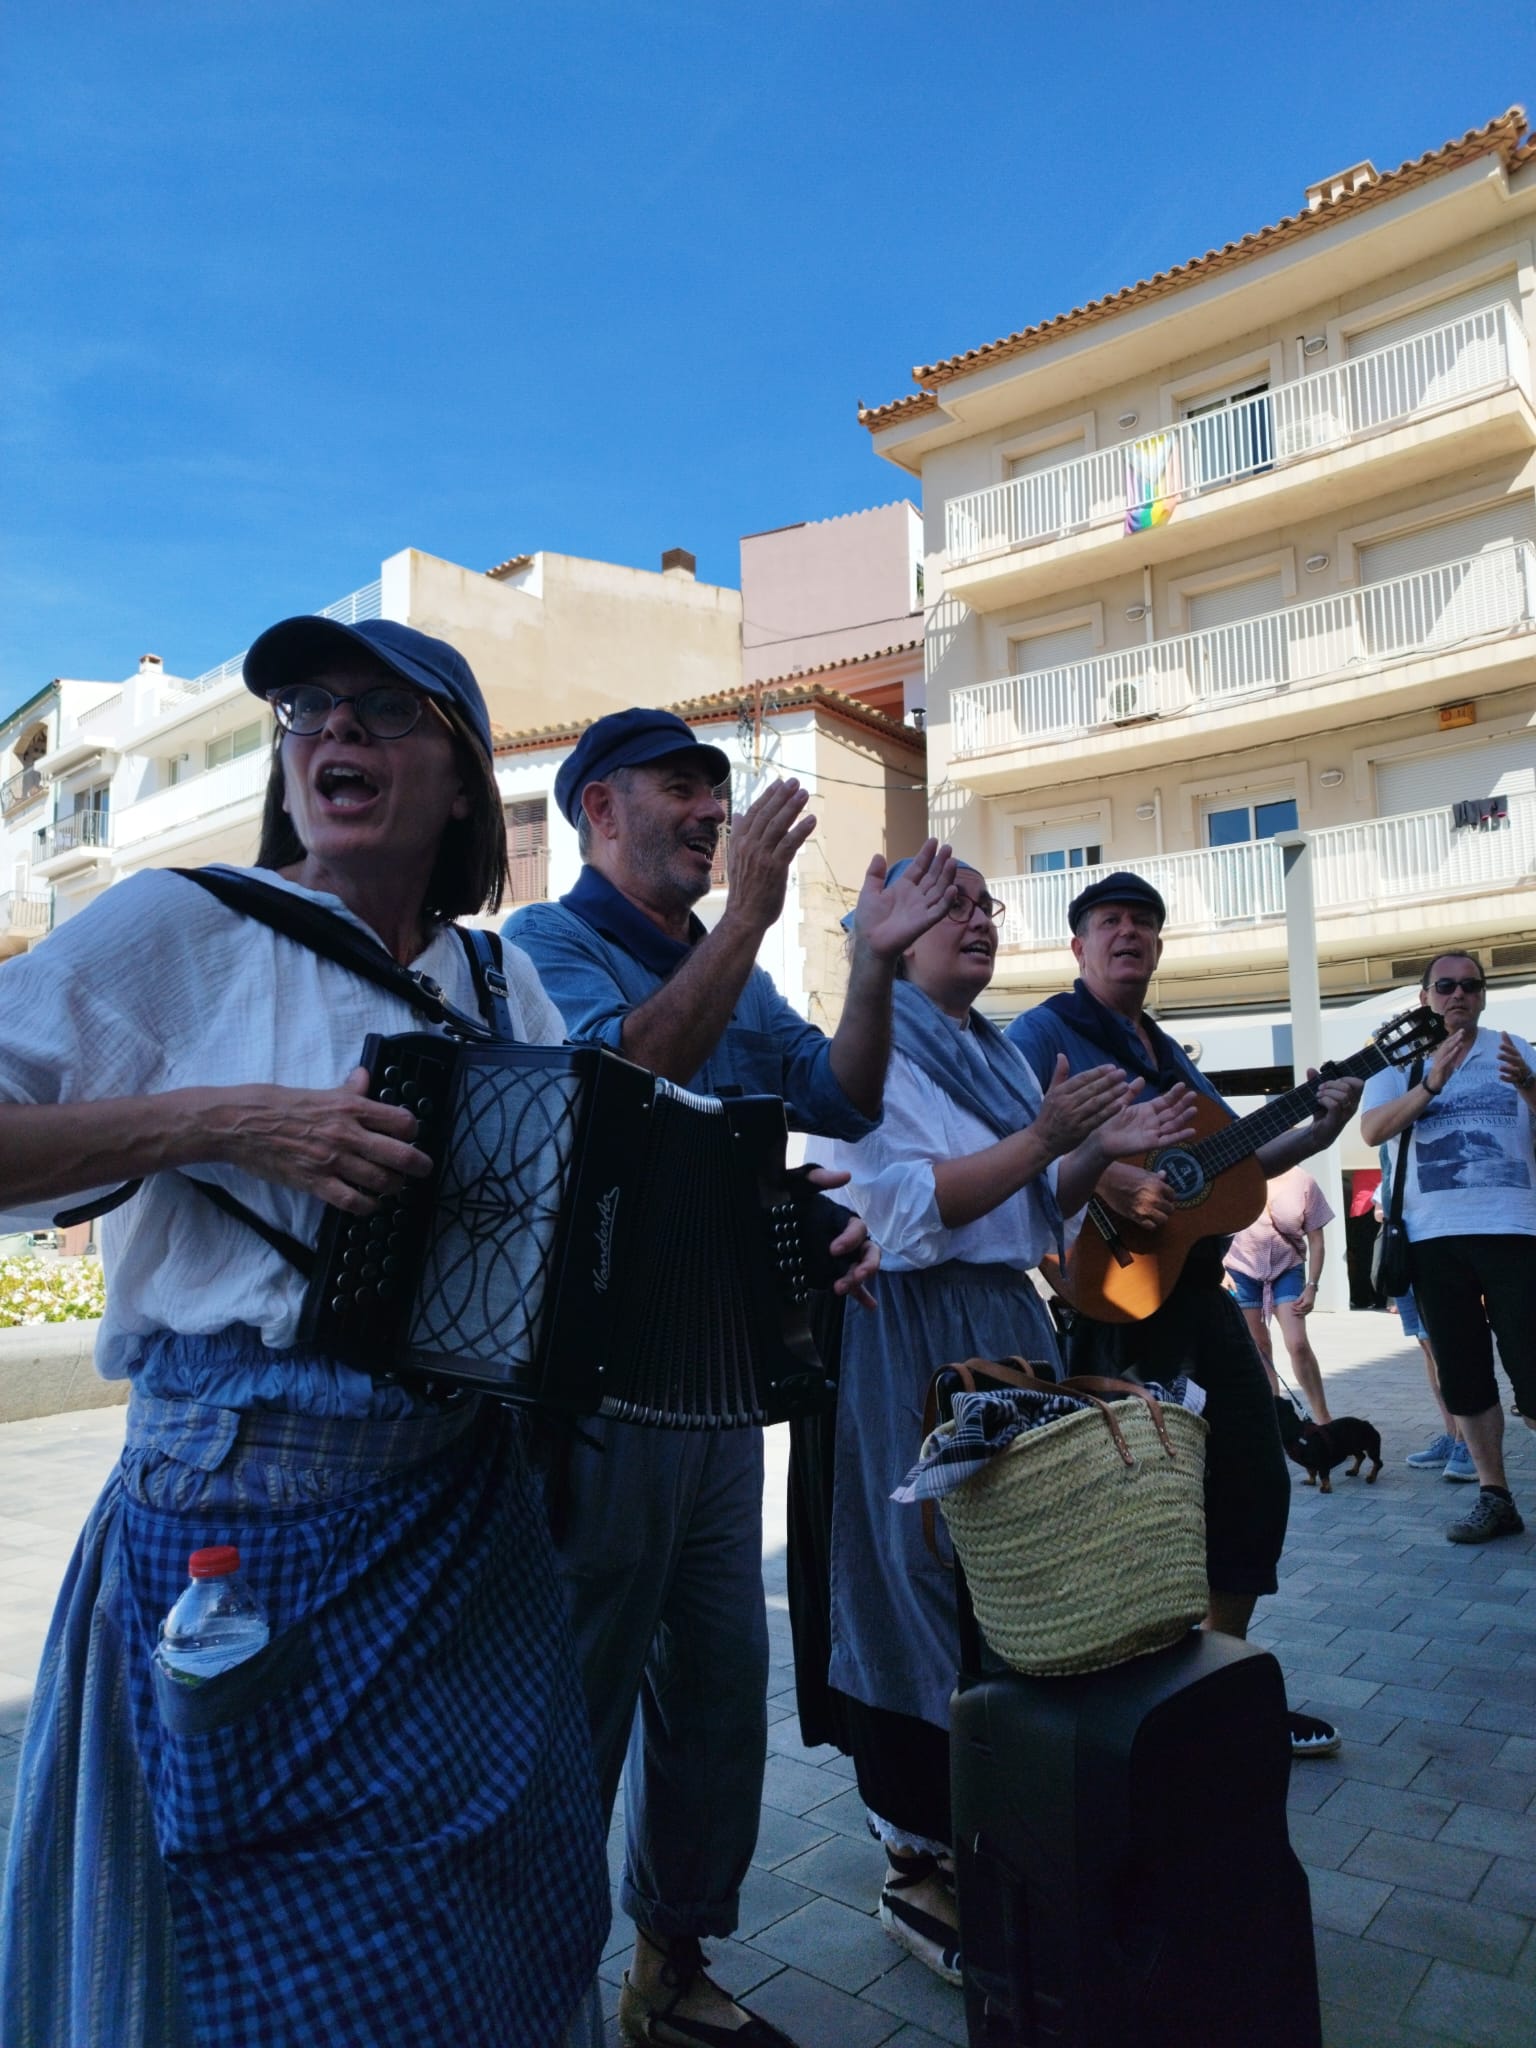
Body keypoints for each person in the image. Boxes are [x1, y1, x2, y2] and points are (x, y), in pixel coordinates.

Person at [0, 618, 610, 2048]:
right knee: (288, 1962)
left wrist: (761, 1252)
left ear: (460, 779)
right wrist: (225, 1120)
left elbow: (573, 1220)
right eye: (310, 709)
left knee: (502, 1905)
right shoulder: (184, 924)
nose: (335, 733)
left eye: (386, 712)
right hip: (242, 1514)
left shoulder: (499, 985)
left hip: (464, 1518)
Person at [506, 708, 954, 2048]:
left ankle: (670, 1969)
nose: (713, 810)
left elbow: (845, 1097)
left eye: (721, 789)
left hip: (712, 1394)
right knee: (577, 1699)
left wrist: (870, 964)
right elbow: (621, 1086)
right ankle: (536, 1992)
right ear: (596, 811)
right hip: (593, 1394)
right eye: (681, 786)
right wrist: (753, 916)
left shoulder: (734, 966)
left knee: (712, 1692)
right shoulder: (544, 946)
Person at [819, 860, 1196, 1982]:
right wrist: (1048, 1140)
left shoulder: (986, 1045)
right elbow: (892, 1206)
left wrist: (1092, 1151)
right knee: (918, 1577)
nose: (979, 920)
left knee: (1008, 1578)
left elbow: (1028, 1207)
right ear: (891, 928)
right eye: (954, 904)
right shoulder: (871, 1035)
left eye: (987, 905)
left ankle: (995, 1819)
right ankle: (913, 1853)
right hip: (908, 1329)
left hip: (998, 1321)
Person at [1006, 873, 1362, 1760]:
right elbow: (1012, 1133)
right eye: (1109, 923)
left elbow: (1234, 1157)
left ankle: (1221, 1688)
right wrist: (1113, 1172)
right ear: (1078, 948)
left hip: (1201, 1299)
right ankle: (1141, 1710)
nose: (1128, 934)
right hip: (1116, 1295)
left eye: (1144, 924)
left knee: (1251, 1484)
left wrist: (1317, 1130)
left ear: (1160, 949)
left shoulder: (1167, 1052)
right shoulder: (1043, 1031)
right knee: (1137, 1510)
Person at [1360, 952, 1536, 1542]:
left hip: (1515, 1230)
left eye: (1470, 986)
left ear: (1483, 996)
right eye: (1446, 986)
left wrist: (1530, 1088)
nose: (1458, 994)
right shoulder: (1398, 1059)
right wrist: (1431, 1081)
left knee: (1532, 1366)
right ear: (1425, 997)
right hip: (1432, 1239)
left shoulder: (1518, 1050)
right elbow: (1373, 1130)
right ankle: (1496, 1497)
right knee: (1462, 1371)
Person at [1378, 1147, 1472, 1480]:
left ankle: (1468, 1442)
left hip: (1435, 1246)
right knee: (1427, 1347)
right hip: (1402, 1246)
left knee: (1445, 1349)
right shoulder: (1389, 1134)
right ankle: (1453, 1434)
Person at [1223, 1167, 1335, 1423]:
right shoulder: (1238, 1176)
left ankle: (1323, 1418)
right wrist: (1219, 1267)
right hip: (1241, 1268)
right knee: (1259, 1347)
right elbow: (1211, 1224)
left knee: (1297, 1343)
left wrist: (1312, 1285)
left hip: (1288, 1266)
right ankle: (1275, 1417)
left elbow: (1317, 1241)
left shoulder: (1304, 1181)